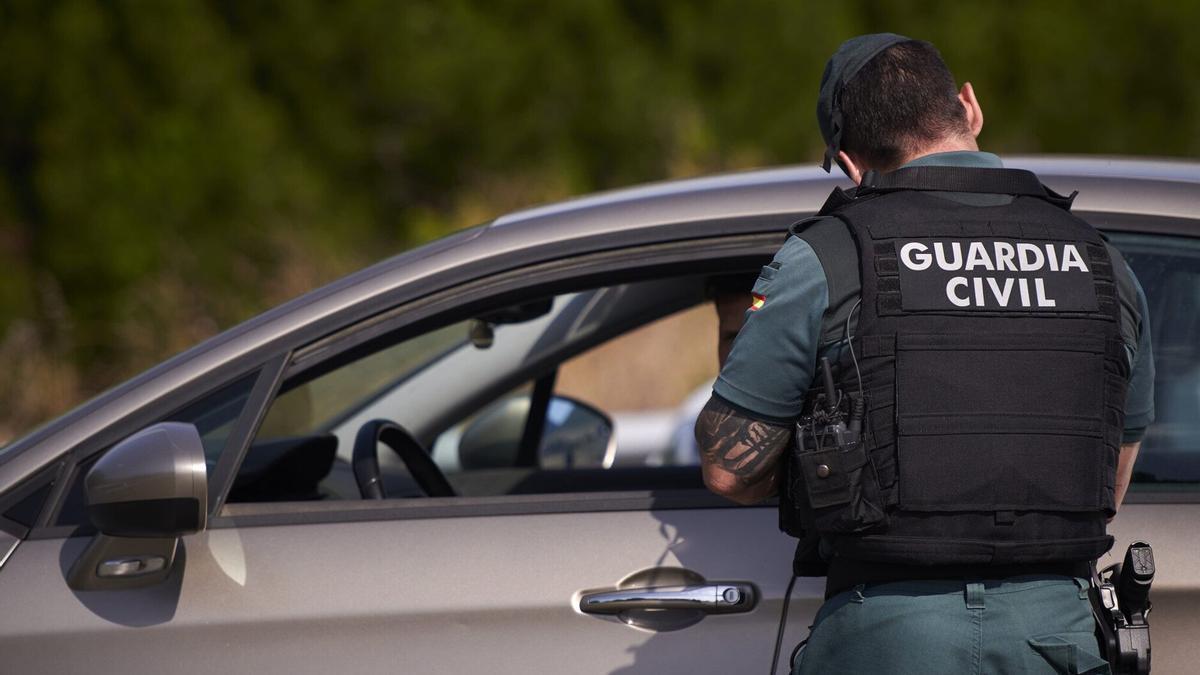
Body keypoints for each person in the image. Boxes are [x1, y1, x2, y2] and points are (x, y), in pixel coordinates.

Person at [695, 34, 1155, 674]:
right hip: (1057, 634)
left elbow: (728, 468)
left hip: (885, 631)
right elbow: (1111, 476)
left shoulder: (829, 257)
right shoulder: (1103, 263)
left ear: (851, 162)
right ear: (970, 106)